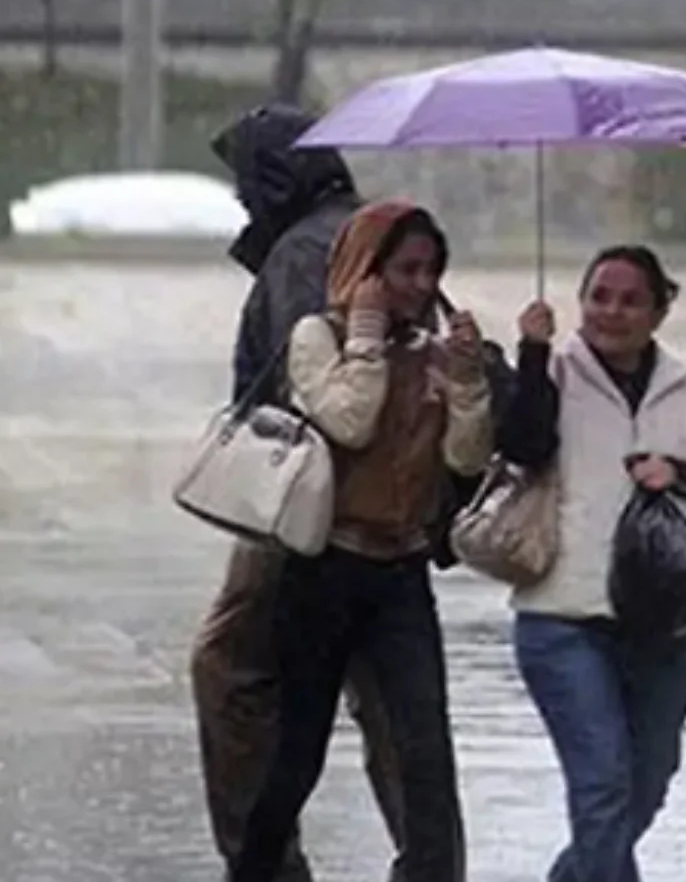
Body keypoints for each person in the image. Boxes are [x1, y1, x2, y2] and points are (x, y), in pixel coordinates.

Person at [231, 200, 491, 882]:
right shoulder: (318, 337)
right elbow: (349, 421)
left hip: (401, 573)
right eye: (404, 268)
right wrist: (368, 334)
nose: (420, 284)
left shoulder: (431, 353)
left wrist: (466, 380)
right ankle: (255, 869)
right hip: (324, 568)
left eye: (431, 270)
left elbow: (466, 460)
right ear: (364, 268)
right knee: (299, 751)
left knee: (425, 750)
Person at [191, 104, 414, 882]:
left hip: (305, 509)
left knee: (230, 668)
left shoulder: (301, 253)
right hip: (388, 510)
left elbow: (307, 391)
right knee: (389, 699)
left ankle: (263, 860)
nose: (242, 199)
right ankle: (428, 858)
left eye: (248, 180)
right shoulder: (371, 233)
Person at [497, 245, 686, 882]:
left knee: (647, 785)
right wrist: (529, 352)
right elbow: (521, 447)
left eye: (631, 299)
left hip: (663, 629)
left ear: (660, 311)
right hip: (563, 618)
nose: (612, 311)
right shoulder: (551, 375)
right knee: (603, 787)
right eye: (599, 296)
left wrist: (680, 475)